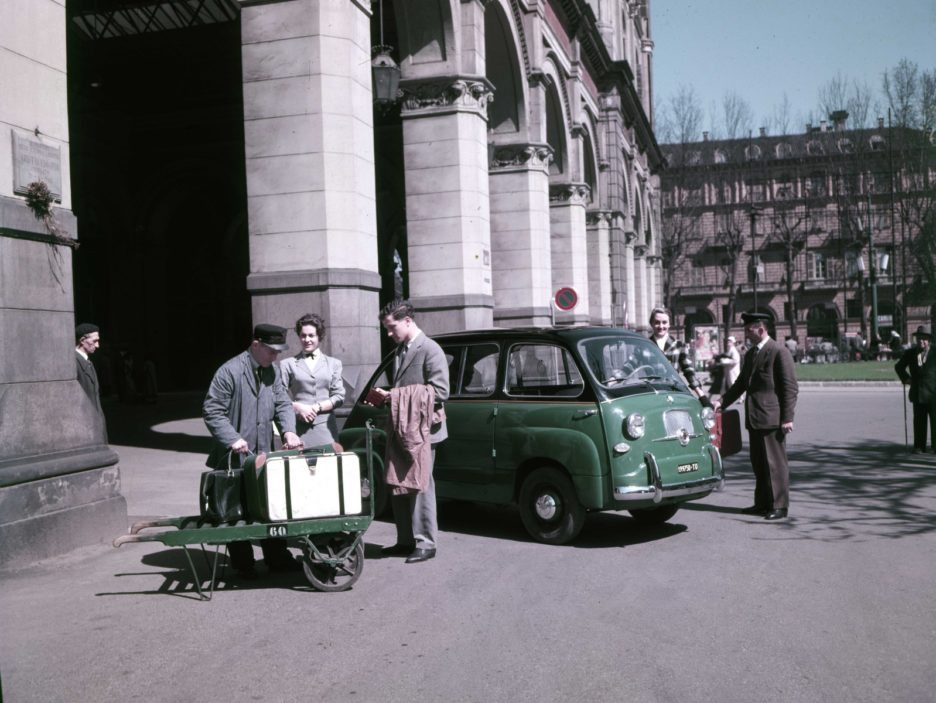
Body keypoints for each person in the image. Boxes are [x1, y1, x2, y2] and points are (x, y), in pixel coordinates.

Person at [203, 323, 303, 578]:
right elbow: (212, 410)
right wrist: (232, 439)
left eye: (279, 351)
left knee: (271, 506)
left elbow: (282, 403)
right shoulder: (230, 371)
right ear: (256, 345)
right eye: (271, 351)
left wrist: (289, 430)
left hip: (263, 453)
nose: (276, 356)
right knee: (237, 510)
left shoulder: (273, 370)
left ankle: (277, 557)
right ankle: (243, 563)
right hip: (234, 456)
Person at [373, 299, 449, 564]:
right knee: (400, 482)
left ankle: (426, 543)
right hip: (403, 428)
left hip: (425, 431)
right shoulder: (400, 351)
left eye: (392, 328)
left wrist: (395, 395)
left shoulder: (430, 349)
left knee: (421, 486)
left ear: (408, 321)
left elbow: (441, 392)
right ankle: (405, 540)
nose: (389, 334)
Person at [718, 311, 799, 520]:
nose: (745, 333)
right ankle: (762, 503)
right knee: (760, 464)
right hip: (754, 418)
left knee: (775, 464)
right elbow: (741, 384)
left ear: (761, 329)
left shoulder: (778, 351)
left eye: (748, 329)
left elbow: (790, 387)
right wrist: (721, 402)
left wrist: (787, 418)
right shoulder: (752, 353)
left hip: (772, 419)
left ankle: (780, 505)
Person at [279, 313, 345, 447]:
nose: (307, 339)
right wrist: (297, 407)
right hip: (298, 429)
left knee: (329, 465)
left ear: (319, 336)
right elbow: (279, 396)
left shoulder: (334, 363)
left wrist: (317, 407)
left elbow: (339, 396)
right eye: (303, 335)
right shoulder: (287, 364)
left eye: (311, 335)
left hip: (326, 430)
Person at [647, 307, 709, 404]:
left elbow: (688, 370)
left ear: (669, 324)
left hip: (673, 392)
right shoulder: (646, 345)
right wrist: (615, 378)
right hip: (652, 393)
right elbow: (630, 365)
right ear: (651, 323)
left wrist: (701, 395)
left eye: (664, 322)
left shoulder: (679, 345)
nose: (661, 326)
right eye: (657, 322)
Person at [895, 325, 936, 454]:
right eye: (919, 339)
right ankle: (919, 446)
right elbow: (899, 367)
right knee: (919, 421)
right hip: (918, 393)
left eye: (924, 339)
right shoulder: (910, 353)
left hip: (934, 393)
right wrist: (906, 379)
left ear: (929, 340)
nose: (921, 341)